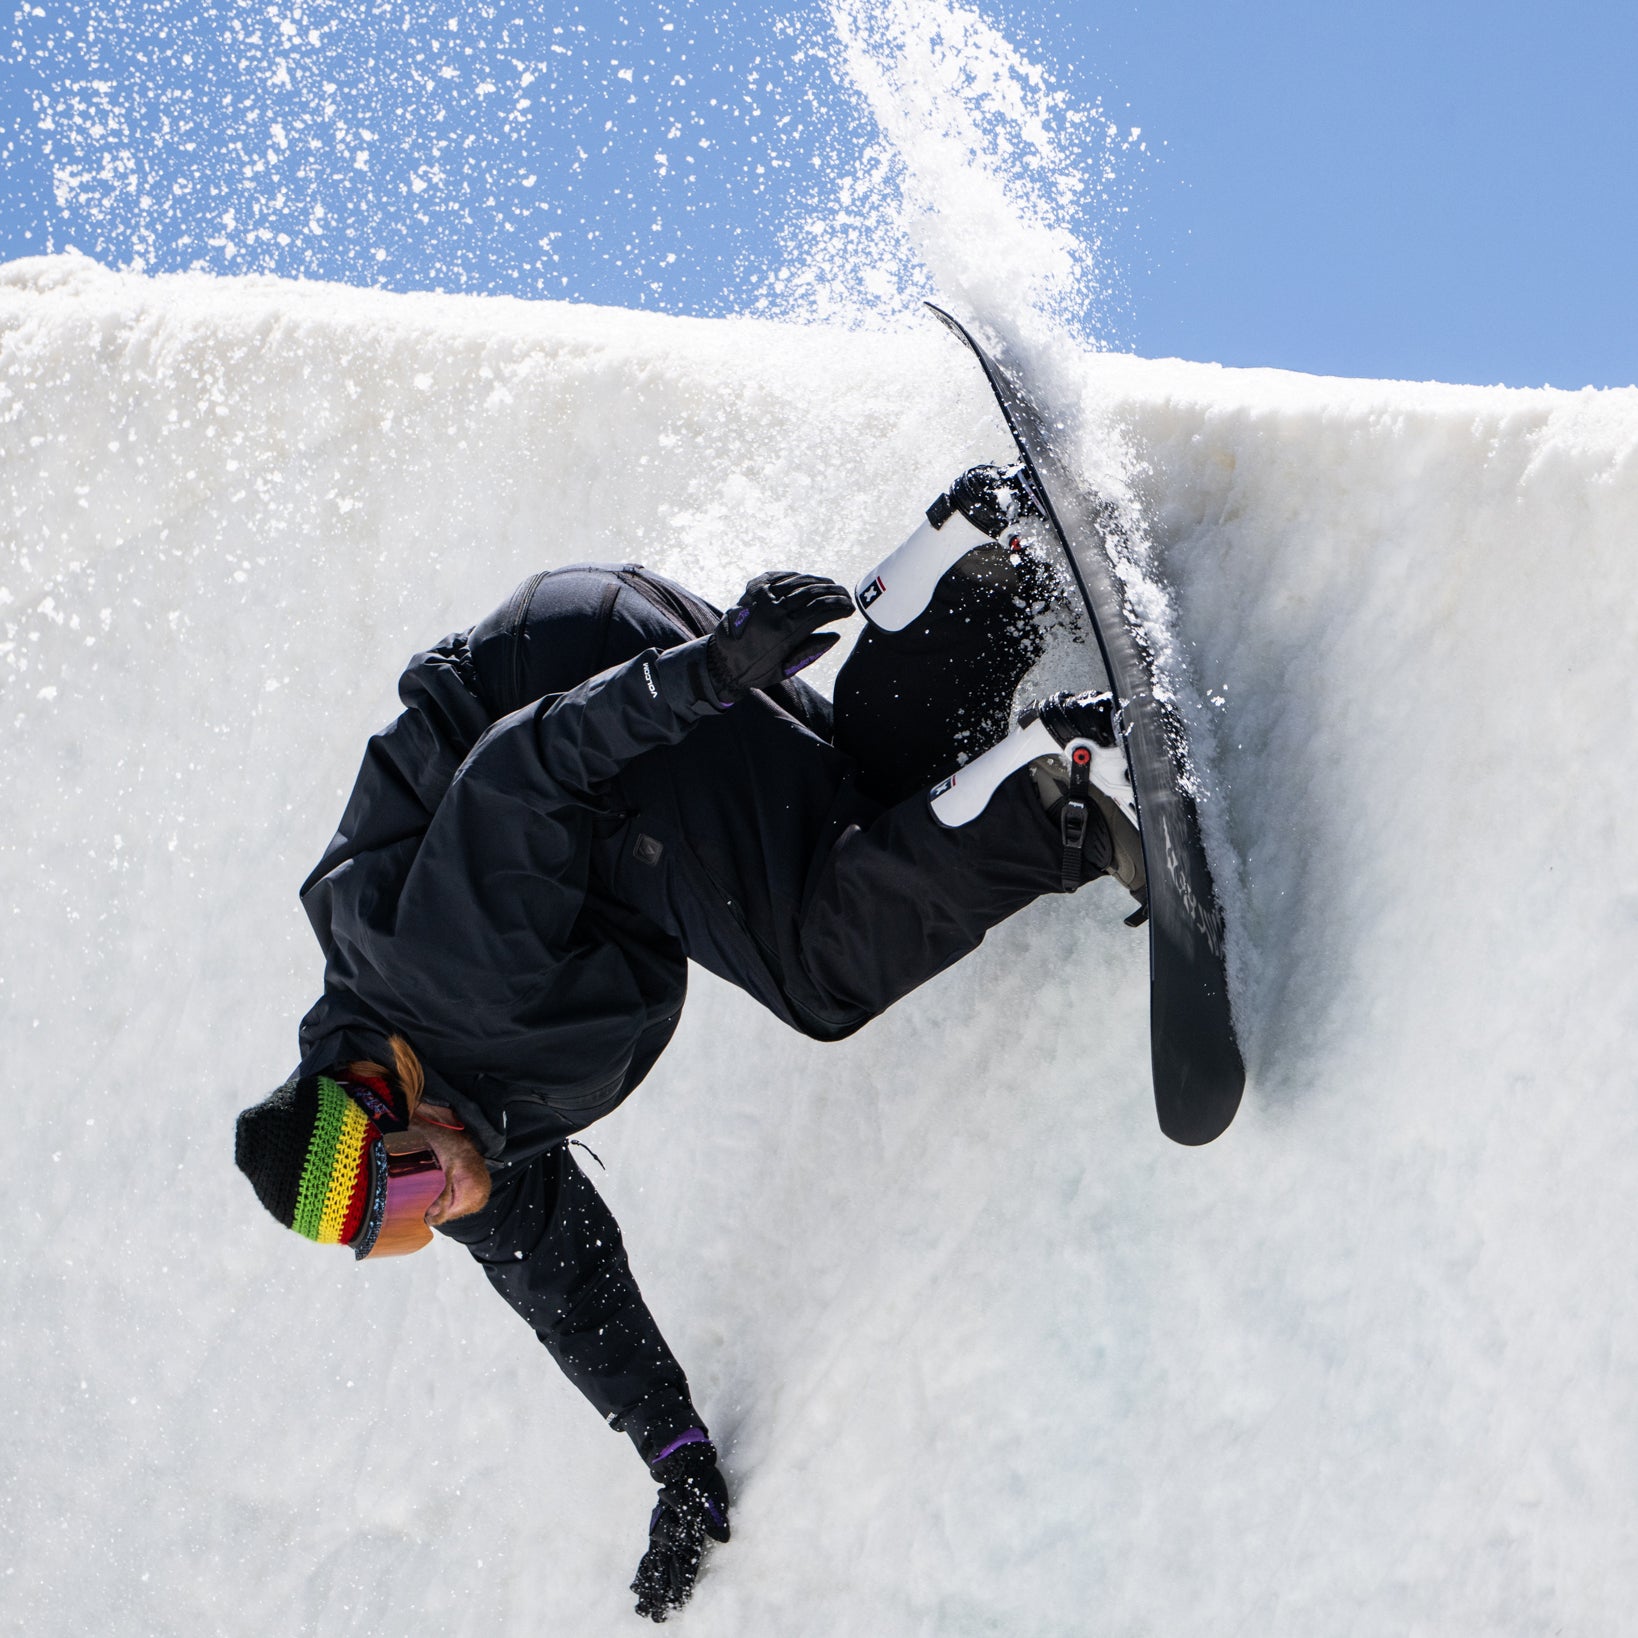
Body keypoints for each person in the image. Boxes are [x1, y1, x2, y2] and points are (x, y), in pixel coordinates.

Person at [234, 466, 1143, 1622]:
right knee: (868, 825)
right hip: (586, 688)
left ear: (374, 1091)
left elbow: (523, 774)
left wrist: (711, 674)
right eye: (410, 1230)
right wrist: (672, 1454)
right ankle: (971, 577)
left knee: (818, 967)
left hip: (578, 713)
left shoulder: (439, 978)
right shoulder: (452, 1129)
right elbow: (562, 1282)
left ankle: (1069, 796)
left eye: (410, 1184)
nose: (443, 1204)